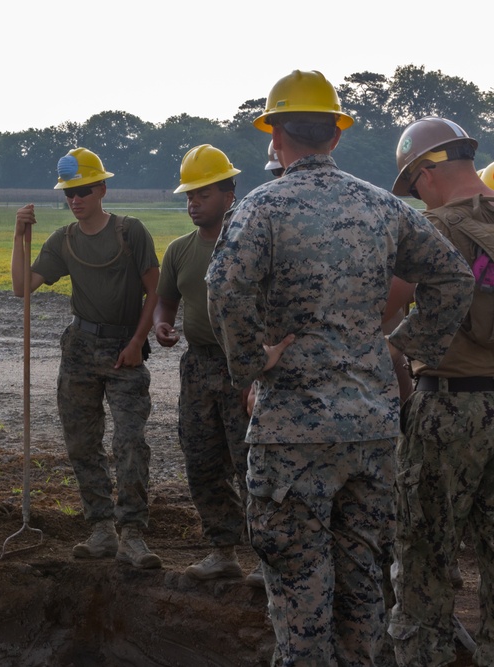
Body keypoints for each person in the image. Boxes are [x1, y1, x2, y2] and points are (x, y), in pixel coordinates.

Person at [205, 71, 474, 665]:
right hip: (373, 432)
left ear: (276, 134)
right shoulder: (381, 206)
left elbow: (224, 288)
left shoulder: (262, 207)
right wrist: (401, 347)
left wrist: (254, 362)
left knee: (301, 594)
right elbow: (453, 277)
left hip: (292, 434)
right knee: (362, 589)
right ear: (335, 136)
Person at [12, 147, 162, 569]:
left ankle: (132, 533)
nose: (75, 200)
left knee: (130, 442)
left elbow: (157, 290)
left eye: (82, 191)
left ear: (102, 189)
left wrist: (137, 341)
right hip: (79, 349)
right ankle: (101, 528)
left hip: (124, 351)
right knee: (82, 442)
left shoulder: (130, 232)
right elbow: (22, 288)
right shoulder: (62, 240)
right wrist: (18, 236)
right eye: (68, 194)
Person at [388, 116, 494, 665]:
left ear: (427, 170)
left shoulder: (433, 230)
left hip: (449, 407)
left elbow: (383, 312)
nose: (416, 194)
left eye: (413, 182)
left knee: (425, 556)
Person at [154, 144, 253, 582]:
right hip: (198, 368)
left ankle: (269, 558)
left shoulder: (251, 245)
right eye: (189, 196)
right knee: (202, 459)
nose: (193, 204)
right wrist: (163, 325)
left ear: (230, 194)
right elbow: (165, 302)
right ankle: (223, 551)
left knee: (251, 462)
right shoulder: (179, 250)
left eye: (203, 195)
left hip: (244, 368)